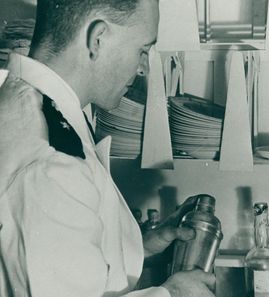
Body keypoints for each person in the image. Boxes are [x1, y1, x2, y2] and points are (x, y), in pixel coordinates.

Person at [0, 0, 215, 297]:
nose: (142, 68)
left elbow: (59, 260)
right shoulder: (51, 163)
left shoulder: (40, 109)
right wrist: (174, 294)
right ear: (97, 39)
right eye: (142, 49)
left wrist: (142, 246)